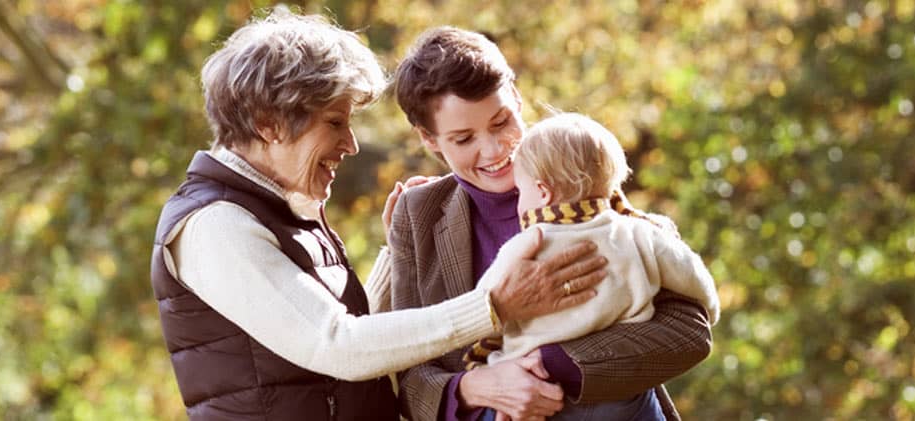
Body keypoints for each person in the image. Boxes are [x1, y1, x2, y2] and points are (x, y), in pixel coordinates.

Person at [148, 9, 607, 420]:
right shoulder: (215, 226)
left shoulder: (284, 211)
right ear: (268, 124)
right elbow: (335, 345)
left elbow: (344, 341)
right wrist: (494, 306)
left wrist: (399, 250)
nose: (351, 144)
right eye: (334, 123)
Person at [386, 27, 715, 421]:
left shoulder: (577, 168)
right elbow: (409, 376)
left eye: (502, 122)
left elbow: (688, 332)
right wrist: (476, 387)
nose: (494, 150)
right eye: (463, 138)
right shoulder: (417, 214)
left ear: (518, 99)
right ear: (429, 139)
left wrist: (553, 366)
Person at [471, 113, 721, 420]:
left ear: (542, 191)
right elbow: (693, 276)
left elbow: (483, 307)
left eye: (521, 192)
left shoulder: (527, 245)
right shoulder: (638, 231)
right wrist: (711, 307)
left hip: (546, 396)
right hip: (624, 394)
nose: (519, 203)